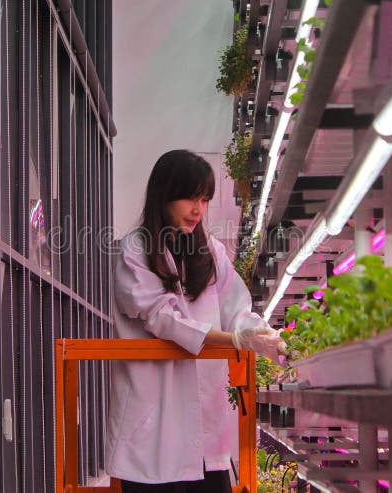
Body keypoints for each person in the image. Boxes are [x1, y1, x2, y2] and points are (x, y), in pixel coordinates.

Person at [106, 149, 286, 492]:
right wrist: (233, 341)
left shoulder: (211, 251)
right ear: (164, 195)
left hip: (206, 432)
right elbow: (162, 319)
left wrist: (262, 335)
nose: (198, 210)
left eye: (204, 200)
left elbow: (237, 309)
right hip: (152, 429)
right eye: (190, 198)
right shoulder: (135, 250)